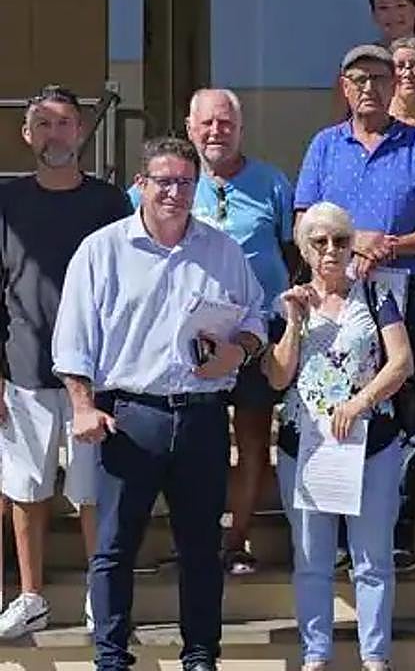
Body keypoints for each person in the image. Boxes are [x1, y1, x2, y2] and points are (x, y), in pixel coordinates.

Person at [52, 137, 266, 671]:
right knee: (115, 549)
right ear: (141, 185)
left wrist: (237, 350)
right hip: (130, 416)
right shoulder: (101, 251)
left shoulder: (222, 250)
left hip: (202, 417)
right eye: (163, 181)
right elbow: (73, 341)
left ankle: (200, 657)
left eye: (185, 182)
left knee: (200, 550)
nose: (174, 192)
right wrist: (82, 405)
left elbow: (256, 319)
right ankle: (111, 658)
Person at [297, 43, 415, 572]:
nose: (369, 87)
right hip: (336, 293)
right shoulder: (324, 145)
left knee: (405, 409)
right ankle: (342, 538)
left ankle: (397, 533)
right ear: (344, 87)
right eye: (359, 78)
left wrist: (392, 242)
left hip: (404, 287)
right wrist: (348, 243)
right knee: (337, 402)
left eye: (380, 78)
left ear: (396, 87)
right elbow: (301, 219)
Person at [126, 88, 295, 577]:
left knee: (252, 439)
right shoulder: (162, 184)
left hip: (250, 333)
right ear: (189, 126)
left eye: (226, 123)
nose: (217, 131)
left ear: (240, 129)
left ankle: (236, 541)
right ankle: (190, 541)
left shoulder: (272, 183)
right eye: (207, 124)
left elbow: (292, 253)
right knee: (183, 446)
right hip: (177, 339)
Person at [0, 86, 130, 638]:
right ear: (28, 135)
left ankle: (99, 600)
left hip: (94, 377)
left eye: (66, 124)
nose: (56, 135)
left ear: (82, 132)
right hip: (22, 370)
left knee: (91, 493)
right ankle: (32, 597)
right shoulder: (6, 200)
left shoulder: (109, 204)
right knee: (26, 490)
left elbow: (129, 290)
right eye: (45, 125)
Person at [261, 202, 414, 671]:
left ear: (352, 245)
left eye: (340, 241)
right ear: (305, 249)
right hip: (305, 448)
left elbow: (402, 362)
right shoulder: (288, 301)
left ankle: (374, 656)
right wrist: (293, 322)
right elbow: (276, 376)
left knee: (372, 558)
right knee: (312, 558)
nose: (331, 250)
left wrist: (360, 401)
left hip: (371, 443)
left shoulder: (376, 295)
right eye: (319, 242)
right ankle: (316, 654)